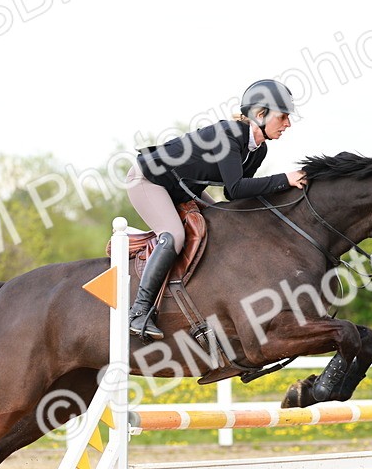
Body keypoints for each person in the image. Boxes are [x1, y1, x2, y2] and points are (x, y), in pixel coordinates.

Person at [124, 79, 309, 340]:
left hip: (183, 187)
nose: (288, 124)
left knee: (224, 219)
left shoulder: (258, 150)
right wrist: (284, 179)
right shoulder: (229, 134)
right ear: (260, 114)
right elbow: (235, 188)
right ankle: (139, 312)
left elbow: (235, 200)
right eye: (283, 117)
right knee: (174, 235)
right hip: (148, 180)